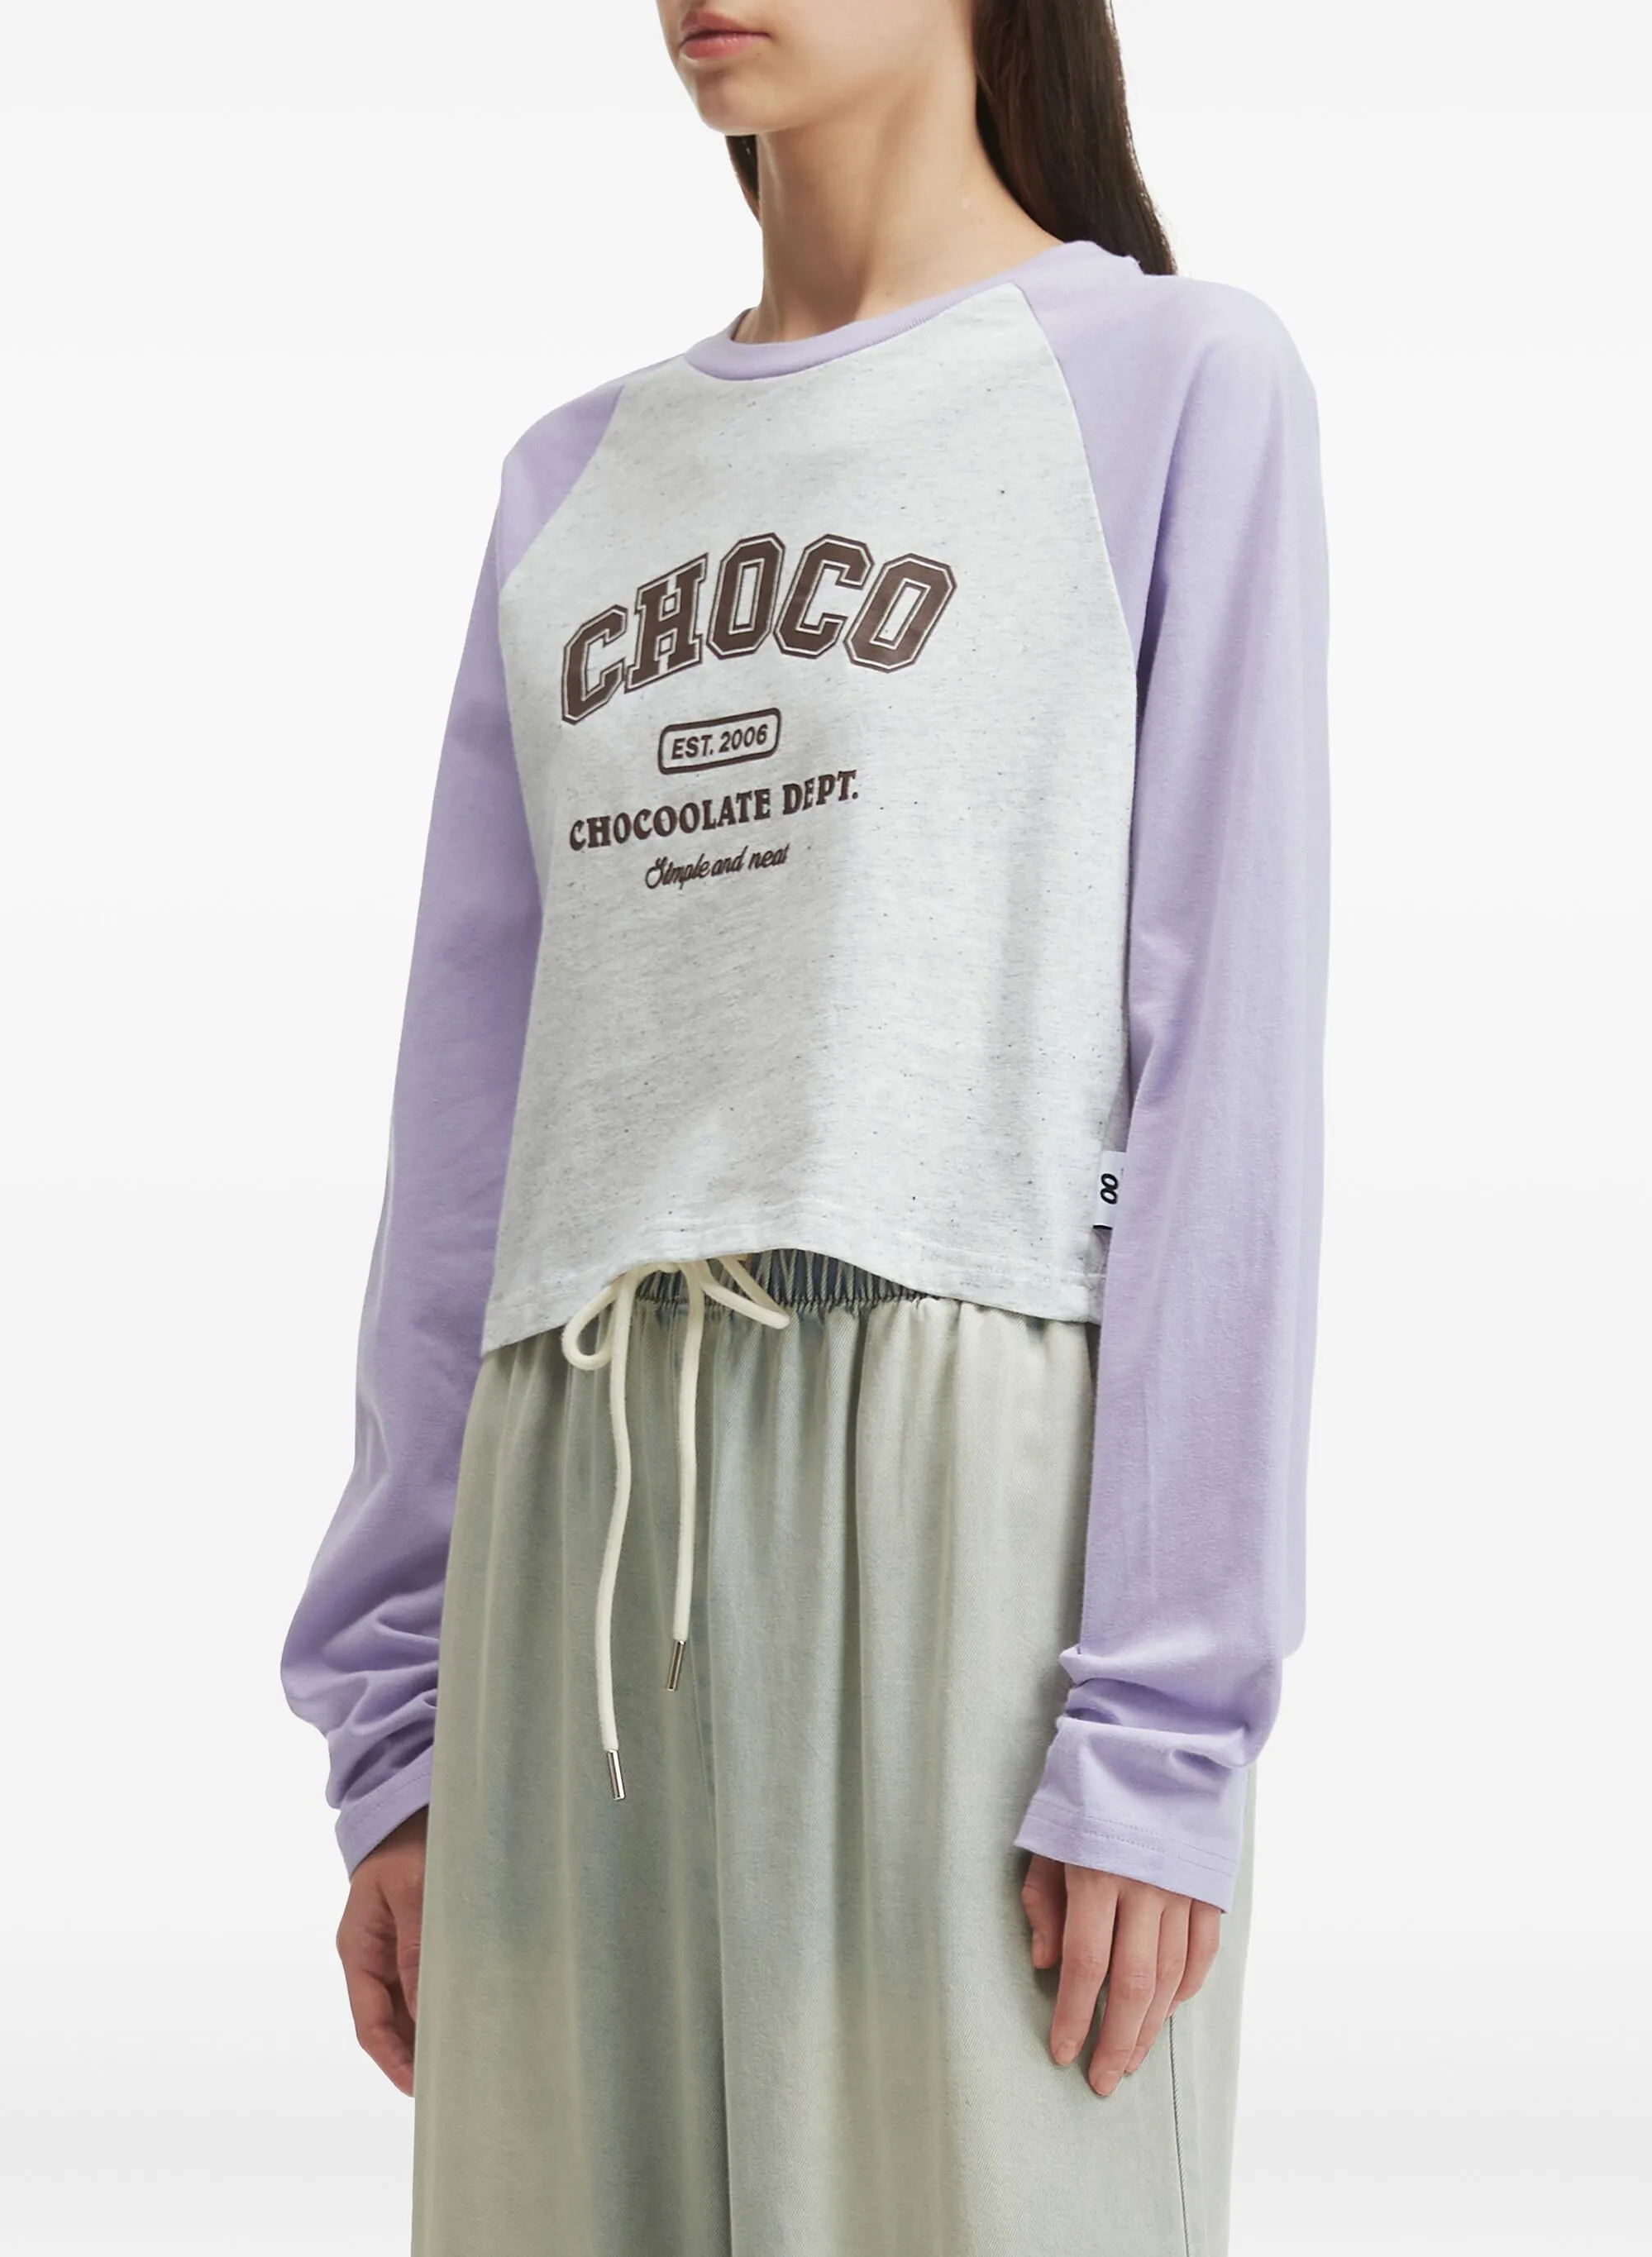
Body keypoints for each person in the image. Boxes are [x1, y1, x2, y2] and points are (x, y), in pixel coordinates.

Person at [280, 2, 1330, 2250]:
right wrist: (400, 1715)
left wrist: (1162, 1726)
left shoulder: (1168, 385)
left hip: (969, 1518)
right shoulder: (572, 482)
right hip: (570, 1525)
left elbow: (1226, 1070)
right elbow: (465, 1129)